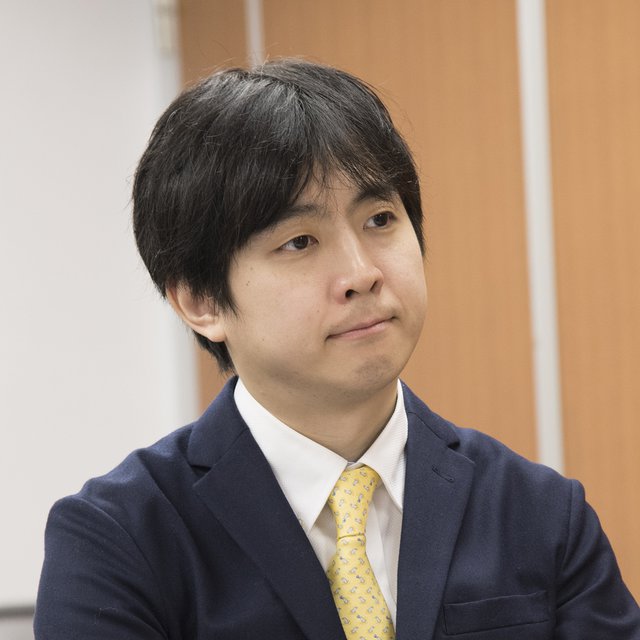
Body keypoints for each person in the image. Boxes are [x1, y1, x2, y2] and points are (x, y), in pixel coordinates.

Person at [34, 59, 639, 639]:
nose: (362, 273)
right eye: (300, 241)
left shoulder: (540, 513)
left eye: (380, 220)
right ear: (201, 302)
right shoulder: (119, 538)